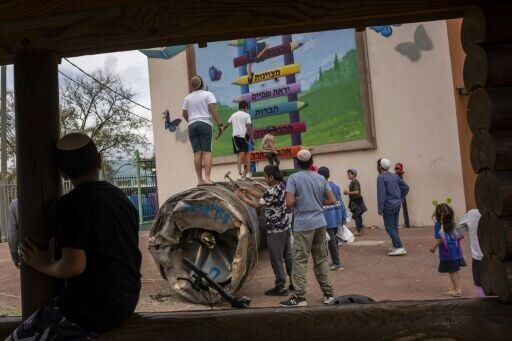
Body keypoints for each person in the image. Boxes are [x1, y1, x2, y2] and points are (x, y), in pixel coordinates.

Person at [9, 133, 142, 340]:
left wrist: (42, 263)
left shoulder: (67, 205)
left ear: (61, 173)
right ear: (98, 161)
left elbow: (74, 266)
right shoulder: (120, 198)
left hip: (92, 310)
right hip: (128, 299)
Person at [280, 149, 336, 307]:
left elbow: (289, 203)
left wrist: (301, 203)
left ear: (297, 163)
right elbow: (332, 200)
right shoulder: (320, 178)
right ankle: (328, 294)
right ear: (312, 162)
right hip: (320, 223)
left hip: (303, 224)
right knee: (321, 259)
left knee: (299, 261)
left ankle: (299, 297)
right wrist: (318, 204)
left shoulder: (293, 178)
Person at [235, 165, 292, 296]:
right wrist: (248, 190)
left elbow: (257, 204)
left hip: (275, 230)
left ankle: (280, 286)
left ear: (271, 177)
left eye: (265, 176)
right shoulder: (281, 186)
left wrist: (242, 198)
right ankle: (294, 282)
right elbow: (265, 195)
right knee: (287, 256)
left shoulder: (272, 191)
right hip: (285, 227)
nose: (265, 179)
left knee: (276, 258)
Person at [182, 75, 224, 185]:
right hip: (205, 124)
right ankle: (207, 179)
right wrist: (220, 124)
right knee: (207, 152)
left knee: (197, 153)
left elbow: (184, 114)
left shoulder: (187, 98)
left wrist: (191, 121)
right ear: (202, 83)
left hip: (192, 125)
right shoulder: (207, 94)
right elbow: (212, 109)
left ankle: (199, 180)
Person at [430, 201, 466, 297]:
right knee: (455, 270)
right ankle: (456, 287)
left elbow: (440, 239)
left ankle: (457, 290)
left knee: (452, 272)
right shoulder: (452, 223)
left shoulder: (438, 225)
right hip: (456, 251)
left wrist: (433, 247)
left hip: (447, 253)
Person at [377, 158, 409, 256]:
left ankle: (399, 246)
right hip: (396, 204)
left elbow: (381, 194)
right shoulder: (394, 176)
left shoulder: (381, 177)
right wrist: (400, 198)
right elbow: (406, 187)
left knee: (389, 227)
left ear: (380, 166)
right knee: (394, 227)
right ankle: (396, 246)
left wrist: (380, 208)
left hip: (388, 205)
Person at [318, 166, 346, 271]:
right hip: (336, 216)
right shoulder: (335, 186)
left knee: (331, 241)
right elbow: (341, 202)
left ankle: (337, 262)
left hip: (328, 218)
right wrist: (343, 215)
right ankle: (335, 260)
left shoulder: (322, 187)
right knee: (333, 240)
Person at [459, 209, 484, 297]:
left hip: (479, 256)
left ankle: (484, 304)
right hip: (502, 256)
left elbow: (459, 232)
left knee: (479, 284)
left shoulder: (473, 213)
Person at [225, 100, 253, 179]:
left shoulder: (233, 115)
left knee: (239, 155)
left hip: (235, 137)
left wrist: (221, 130)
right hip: (243, 136)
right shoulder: (247, 115)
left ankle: (239, 174)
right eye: (246, 108)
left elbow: (227, 124)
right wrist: (251, 136)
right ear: (245, 107)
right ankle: (248, 173)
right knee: (247, 153)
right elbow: (248, 126)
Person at [344, 169, 366, 236]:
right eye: (348, 174)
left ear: (354, 175)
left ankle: (359, 231)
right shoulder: (352, 182)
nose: (348, 175)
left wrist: (348, 192)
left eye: (349, 174)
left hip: (356, 201)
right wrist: (348, 193)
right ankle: (361, 230)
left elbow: (357, 192)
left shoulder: (355, 181)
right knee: (358, 216)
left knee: (356, 216)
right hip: (356, 200)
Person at [7, 198, 19, 268]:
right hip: (50, 253)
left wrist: (15, 258)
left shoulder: (15, 204)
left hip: (27, 252)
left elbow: (12, 234)